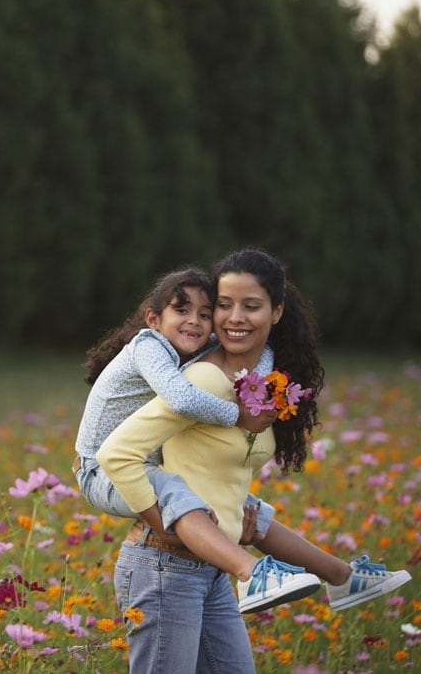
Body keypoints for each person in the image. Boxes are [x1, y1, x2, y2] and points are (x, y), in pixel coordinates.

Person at [95, 249, 411, 673]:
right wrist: (159, 521)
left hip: (211, 569)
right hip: (165, 565)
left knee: (254, 514)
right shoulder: (202, 380)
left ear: (277, 312)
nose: (234, 318)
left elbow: (215, 467)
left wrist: (228, 518)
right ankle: (274, 573)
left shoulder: (259, 384)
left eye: (251, 306)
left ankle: (338, 577)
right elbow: (116, 454)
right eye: (224, 305)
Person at [74, 267, 321, 613]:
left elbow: (255, 352)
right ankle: (250, 574)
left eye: (205, 315)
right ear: (153, 319)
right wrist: (238, 415)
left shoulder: (194, 348)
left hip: (141, 464)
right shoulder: (149, 345)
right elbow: (182, 399)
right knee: (176, 493)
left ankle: (342, 577)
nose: (194, 321)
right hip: (99, 469)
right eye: (181, 310)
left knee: (248, 509)